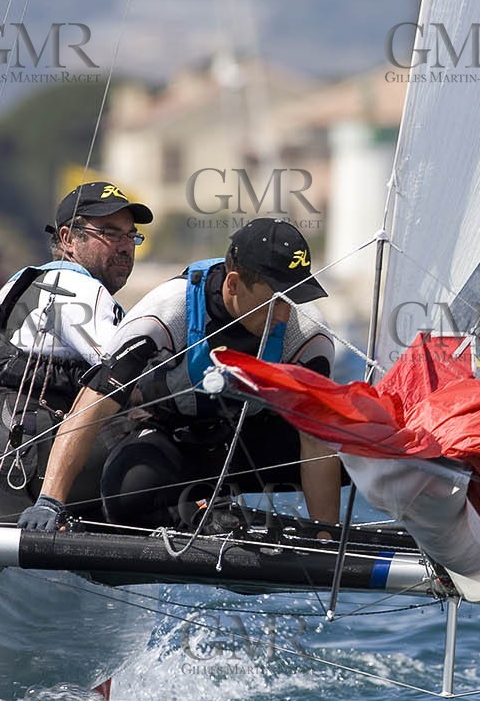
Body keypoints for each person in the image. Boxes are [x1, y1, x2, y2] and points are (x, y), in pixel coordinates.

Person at [19, 217, 341, 532]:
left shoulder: (307, 333)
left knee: (349, 457)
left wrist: (326, 540)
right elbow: (95, 402)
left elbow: (317, 445)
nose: (285, 313)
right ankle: (202, 516)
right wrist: (51, 501)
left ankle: (296, 527)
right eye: (275, 300)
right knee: (126, 494)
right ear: (233, 284)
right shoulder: (170, 307)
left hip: (249, 443)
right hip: (176, 438)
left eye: (294, 297)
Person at [0, 181, 152, 521]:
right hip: (28, 467)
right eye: (109, 233)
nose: (124, 247)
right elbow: (132, 372)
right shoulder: (76, 287)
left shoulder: (24, 281)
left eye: (131, 236)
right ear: (69, 238)